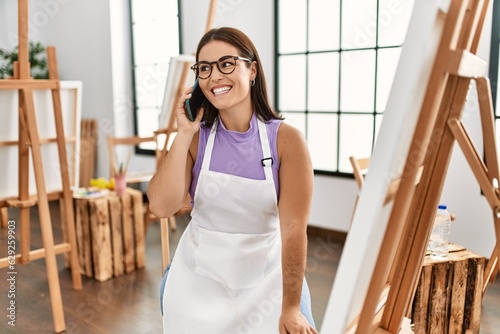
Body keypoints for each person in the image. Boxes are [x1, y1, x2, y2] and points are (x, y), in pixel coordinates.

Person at [148, 27, 317, 334]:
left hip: (267, 278)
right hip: (198, 278)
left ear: (251, 70)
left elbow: (294, 231)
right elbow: (160, 206)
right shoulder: (197, 139)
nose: (214, 77)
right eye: (204, 68)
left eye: (227, 64)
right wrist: (184, 133)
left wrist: (291, 307)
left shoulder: (286, 141)